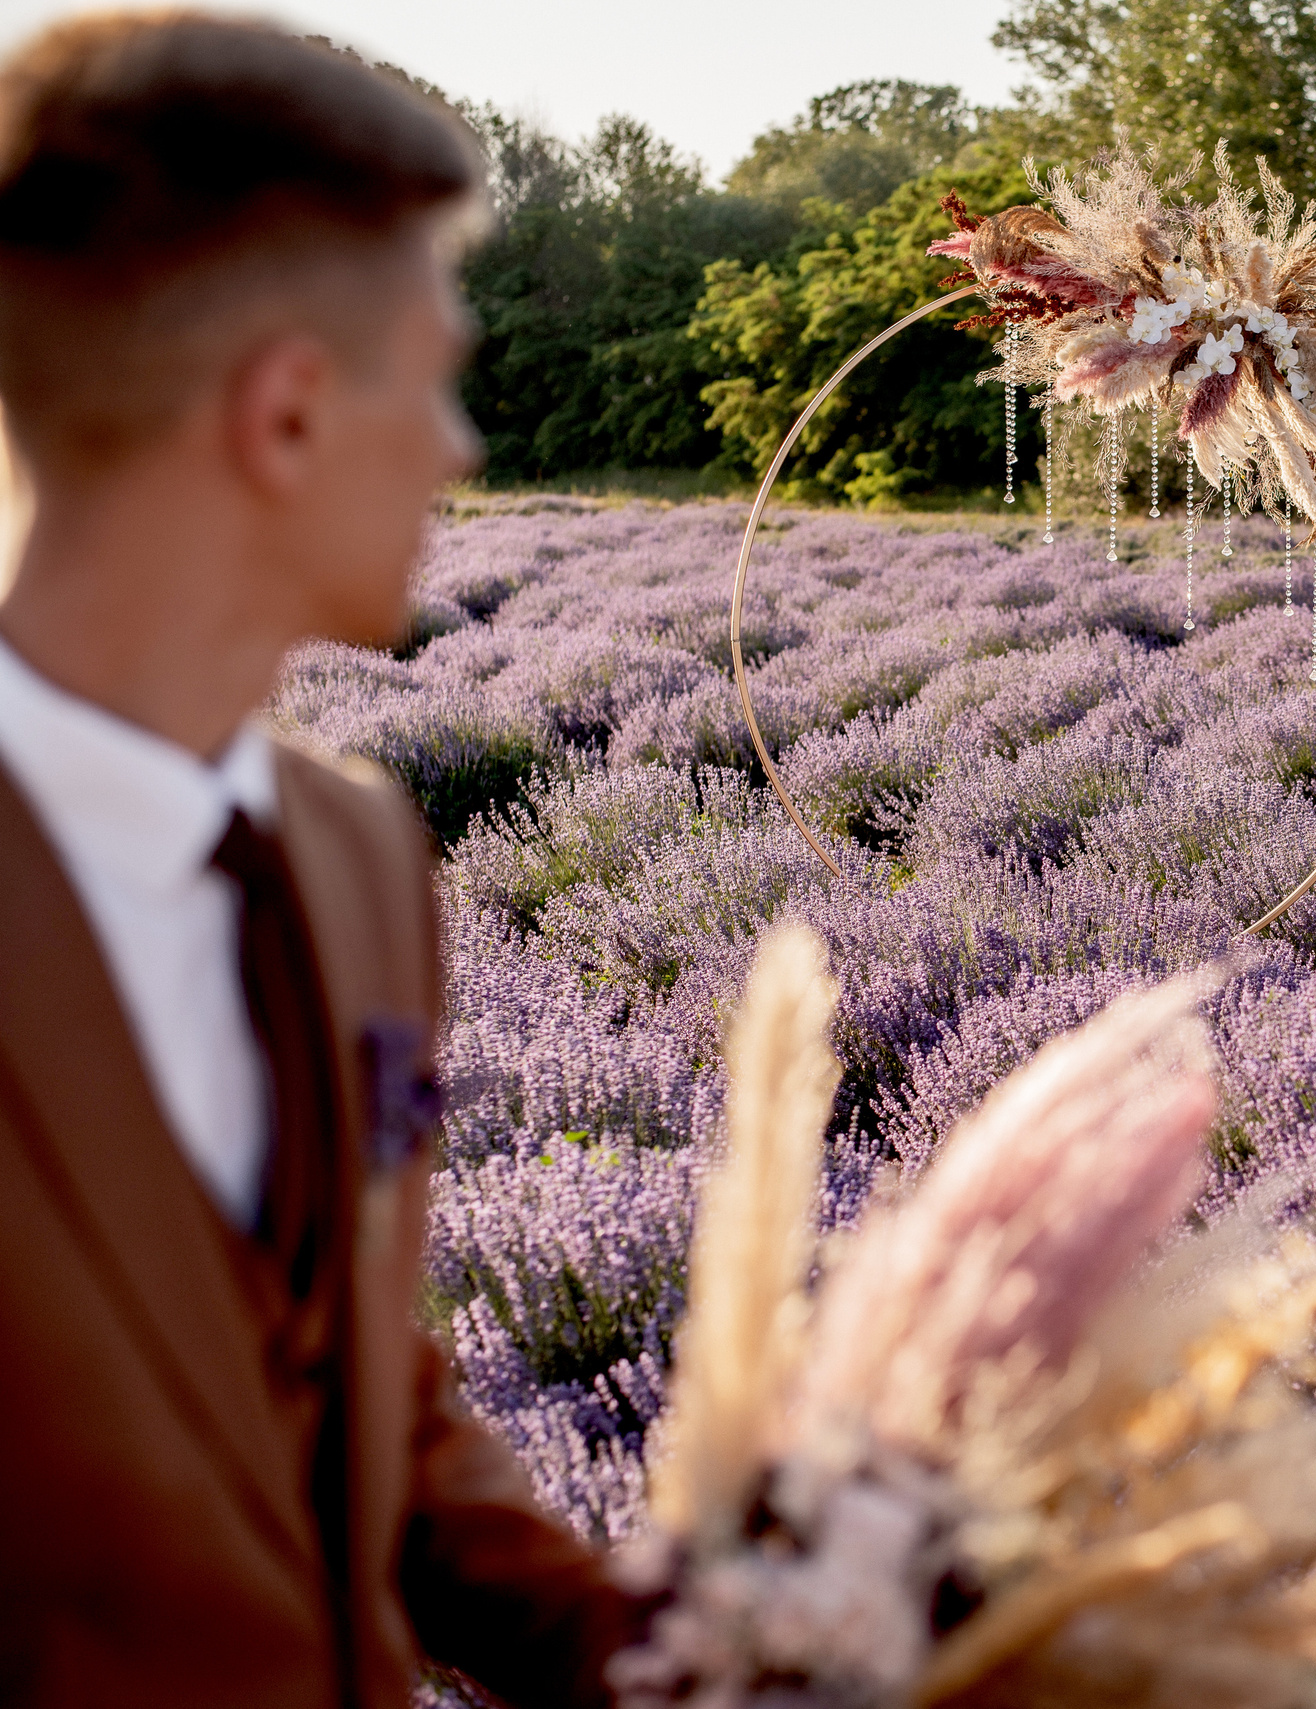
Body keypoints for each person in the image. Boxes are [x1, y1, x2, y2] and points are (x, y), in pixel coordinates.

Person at [0, 15, 651, 1705]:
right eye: (431, 376)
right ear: (286, 413)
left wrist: (669, 1653)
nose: (461, 450)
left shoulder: (358, 847)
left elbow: (355, 1371)